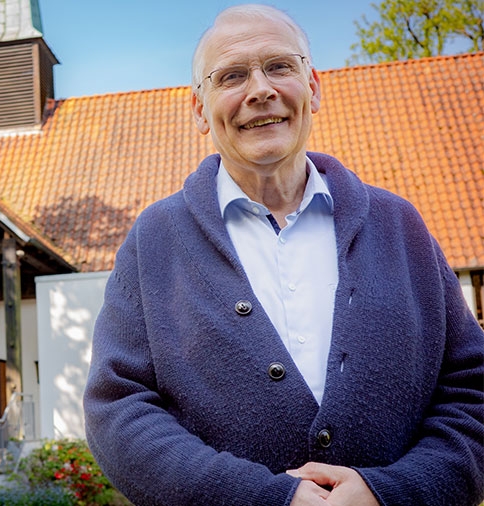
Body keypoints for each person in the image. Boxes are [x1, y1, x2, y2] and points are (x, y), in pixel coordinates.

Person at [82, 4, 484, 506]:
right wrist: (264, 498)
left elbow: (472, 392)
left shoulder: (399, 225)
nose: (259, 90)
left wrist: (390, 493)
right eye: (231, 76)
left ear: (313, 86)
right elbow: (118, 410)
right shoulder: (155, 240)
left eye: (279, 66)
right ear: (199, 110)